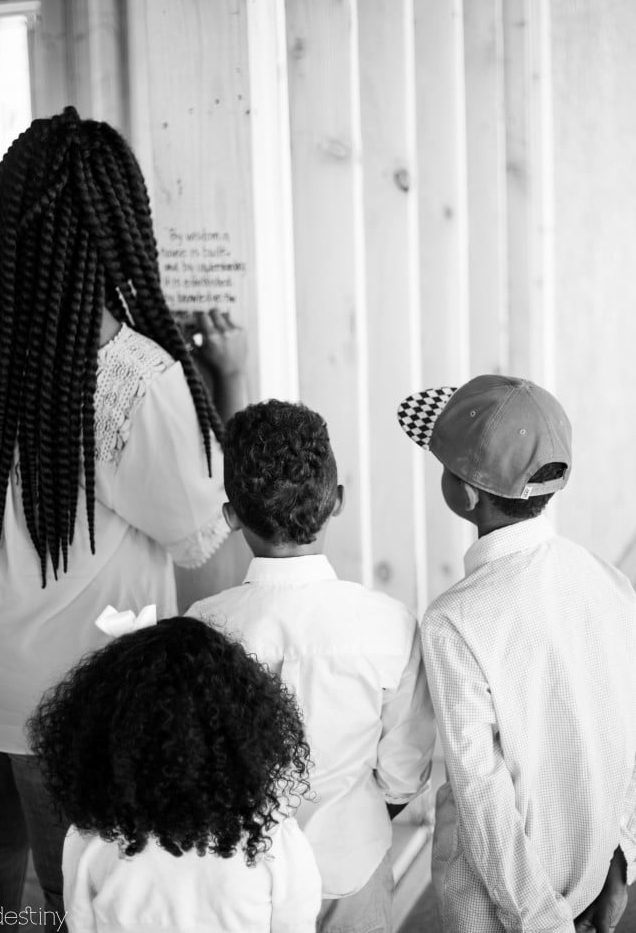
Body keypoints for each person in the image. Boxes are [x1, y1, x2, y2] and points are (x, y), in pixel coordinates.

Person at [0, 106, 246, 924]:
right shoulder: (132, 378)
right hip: (79, 698)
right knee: (73, 890)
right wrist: (224, 386)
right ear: (115, 233)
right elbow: (198, 532)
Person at [397, 375, 636, 933]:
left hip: (509, 914)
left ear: (467, 493)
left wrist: (542, 922)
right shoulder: (606, 579)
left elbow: (483, 799)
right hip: (594, 883)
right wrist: (620, 860)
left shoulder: (453, 621)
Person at [186, 399, 435, 933]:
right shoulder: (389, 625)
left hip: (241, 880)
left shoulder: (202, 628)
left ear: (231, 517)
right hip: (353, 864)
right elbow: (403, 773)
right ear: (336, 501)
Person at [26, 612, 321, 932]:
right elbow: (297, 925)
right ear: (242, 731)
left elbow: (81, 925)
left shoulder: (91, 840)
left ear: (108, 730)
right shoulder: (272, 839)